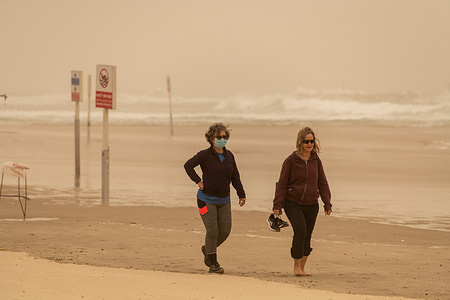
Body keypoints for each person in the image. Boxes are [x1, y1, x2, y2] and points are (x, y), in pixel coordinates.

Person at [184, 123, 246, 274]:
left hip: (224, 200)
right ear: (211, 138)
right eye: (219, 137)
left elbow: (235, 176)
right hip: (206, 199)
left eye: (225, 137)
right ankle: (213, 264)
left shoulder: (229, 155)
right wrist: (198, 181)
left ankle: (207, 250)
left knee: (224, 231)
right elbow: (188, 166)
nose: (222, 139)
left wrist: (241, 193)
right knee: (212, 232)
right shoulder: (204, 155)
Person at [272, 127, 332, 276]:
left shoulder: (316, 160)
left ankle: (302, 268)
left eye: (311, 141)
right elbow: (282, 183)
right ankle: (296, 266)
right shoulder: (291, 160)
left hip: (312, 204)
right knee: (300, 230)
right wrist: (277, 205)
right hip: (293, 202)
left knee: (308, 234)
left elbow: (322, 182)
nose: (309, 144)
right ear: (300, 142)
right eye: (306, 141)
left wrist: (327, 203)